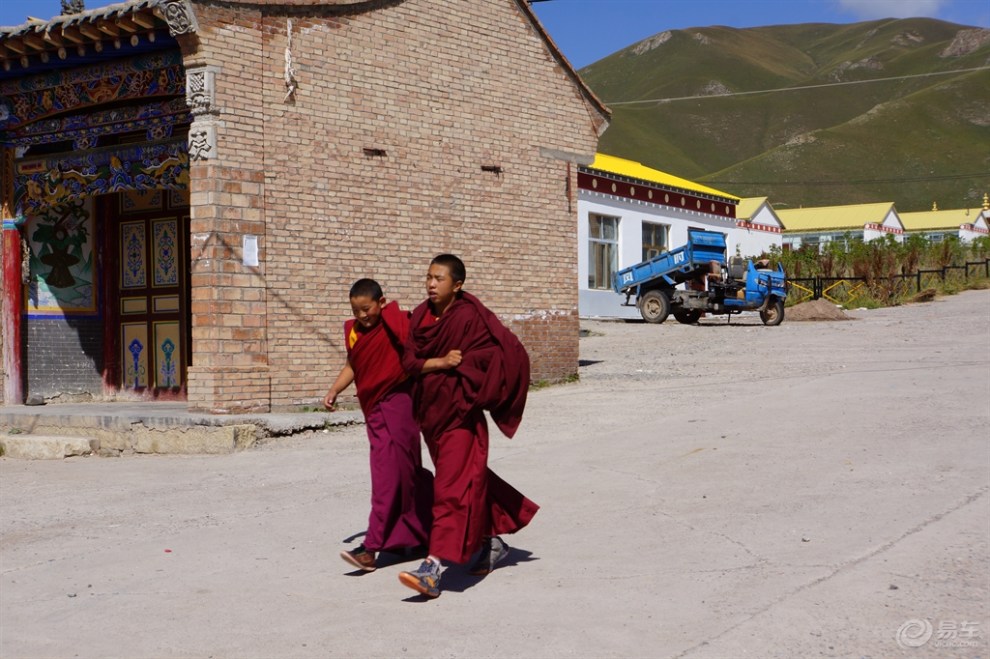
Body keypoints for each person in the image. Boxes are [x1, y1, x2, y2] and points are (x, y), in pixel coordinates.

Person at [397, 254, 539, 598]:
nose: (431, 284)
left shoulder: (470, 317)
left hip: (461, 417)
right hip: (431, 416)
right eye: (428, 277)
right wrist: (440, 362)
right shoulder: (419, 316)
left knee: (450, 490)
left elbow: (501, 355)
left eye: (439, 279)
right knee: (468, 481)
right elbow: (409, 361)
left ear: (457, 285)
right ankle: (490, 543)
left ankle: (432, 569)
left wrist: (466, 372)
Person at [324, 278, 433, 572]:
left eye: (367, 309)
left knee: (394, 474)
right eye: (356, 310)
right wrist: (335, 389)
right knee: (398, 473)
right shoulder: (354, 333)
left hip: (399, 405)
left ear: (381, 303)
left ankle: (371, 547)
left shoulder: (396, 323)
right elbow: (353, 366)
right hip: (375, 410)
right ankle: (419, 535)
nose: (362, 316)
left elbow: (419, 349)